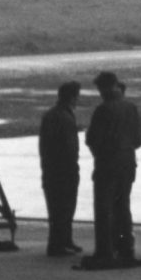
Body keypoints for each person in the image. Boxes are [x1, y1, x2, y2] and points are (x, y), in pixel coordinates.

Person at [81, 70, 141, 268]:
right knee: (122, 206)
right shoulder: (131, 108)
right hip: (127, 162)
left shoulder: (103, 110)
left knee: (103, 208)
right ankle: (126, 248)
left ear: (104, 88)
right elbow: (139, 140)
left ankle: (105, 251)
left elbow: (92, 139)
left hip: (107, 163)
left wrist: (101, 152)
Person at [37, 82, 84, 257]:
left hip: (54, 169)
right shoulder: (63, 116)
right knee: (63, 208)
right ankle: (58, 244)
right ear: (72, 97)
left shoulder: (53, 115)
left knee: (60, 208)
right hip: (63, 170)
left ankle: (63, 241)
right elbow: (68, 148)